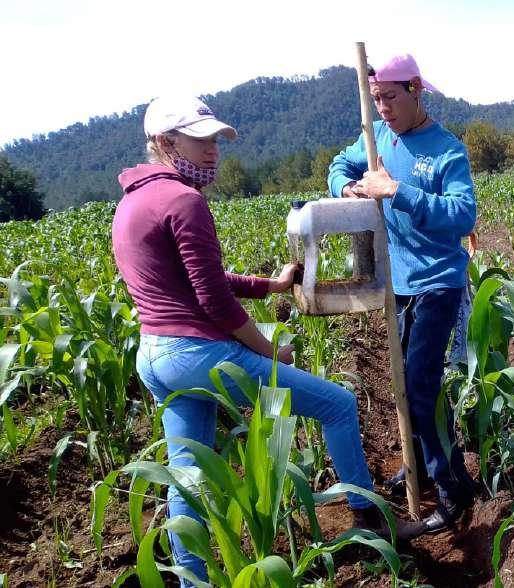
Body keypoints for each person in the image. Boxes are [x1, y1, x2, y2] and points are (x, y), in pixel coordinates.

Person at [113, 96, 421, 586]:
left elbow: (197, 277)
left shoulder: (132, 202)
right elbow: (214, 301)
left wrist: (269, 286)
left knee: (188, 475)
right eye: (200, 139)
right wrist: (269, 350)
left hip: (155, 355)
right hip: (200, 355)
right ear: (166, 142)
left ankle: (192, 581)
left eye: (216, 140)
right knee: (338, 404)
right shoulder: (184, 201)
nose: (213, 150)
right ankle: (369, 522)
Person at [328, 53, 477, 535]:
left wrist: (397, 191)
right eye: (376, 99)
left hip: (438, 281)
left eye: (390, 98)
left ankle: (452, 489)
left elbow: (463, 215)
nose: (383, 108)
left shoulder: (446, 150)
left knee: (421, 386)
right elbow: (339, 164)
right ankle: (420, 467)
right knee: (404, 383)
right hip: (398, 282)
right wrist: (348, 187)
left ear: (416, 90)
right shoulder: (377, 139)